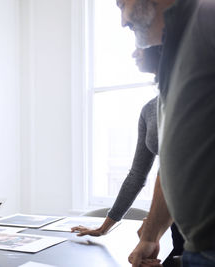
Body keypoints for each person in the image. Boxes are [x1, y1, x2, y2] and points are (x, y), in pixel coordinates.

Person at [116, 0, 215, 266]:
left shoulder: (207, 18)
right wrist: (150, 236)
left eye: (121, 4)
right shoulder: (175, 49)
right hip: (198, 249)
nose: (123, 21)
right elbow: (173, 163)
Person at [71, 45, 184, 266]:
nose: (134, 54)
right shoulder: (149, 110)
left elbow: (180, 170)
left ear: (162, 48)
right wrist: (104, 228)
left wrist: (152, 229)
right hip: (180, 224)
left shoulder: (193, 94)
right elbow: (138, 174)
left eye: (140, 48)